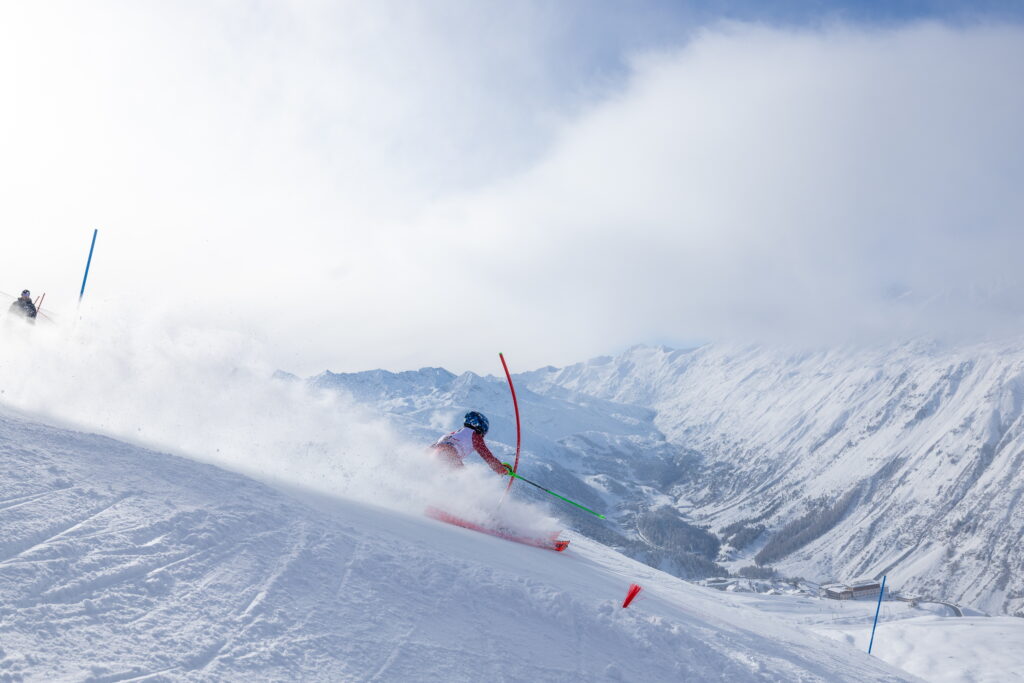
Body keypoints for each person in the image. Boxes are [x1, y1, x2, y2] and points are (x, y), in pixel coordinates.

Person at [431, 411, 510, 475]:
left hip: (434, 455)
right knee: (465, 481)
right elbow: (486, 455)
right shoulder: (474, 435)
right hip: (450, 455)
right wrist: (501, 469)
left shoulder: (452, 434)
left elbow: (433, 447)